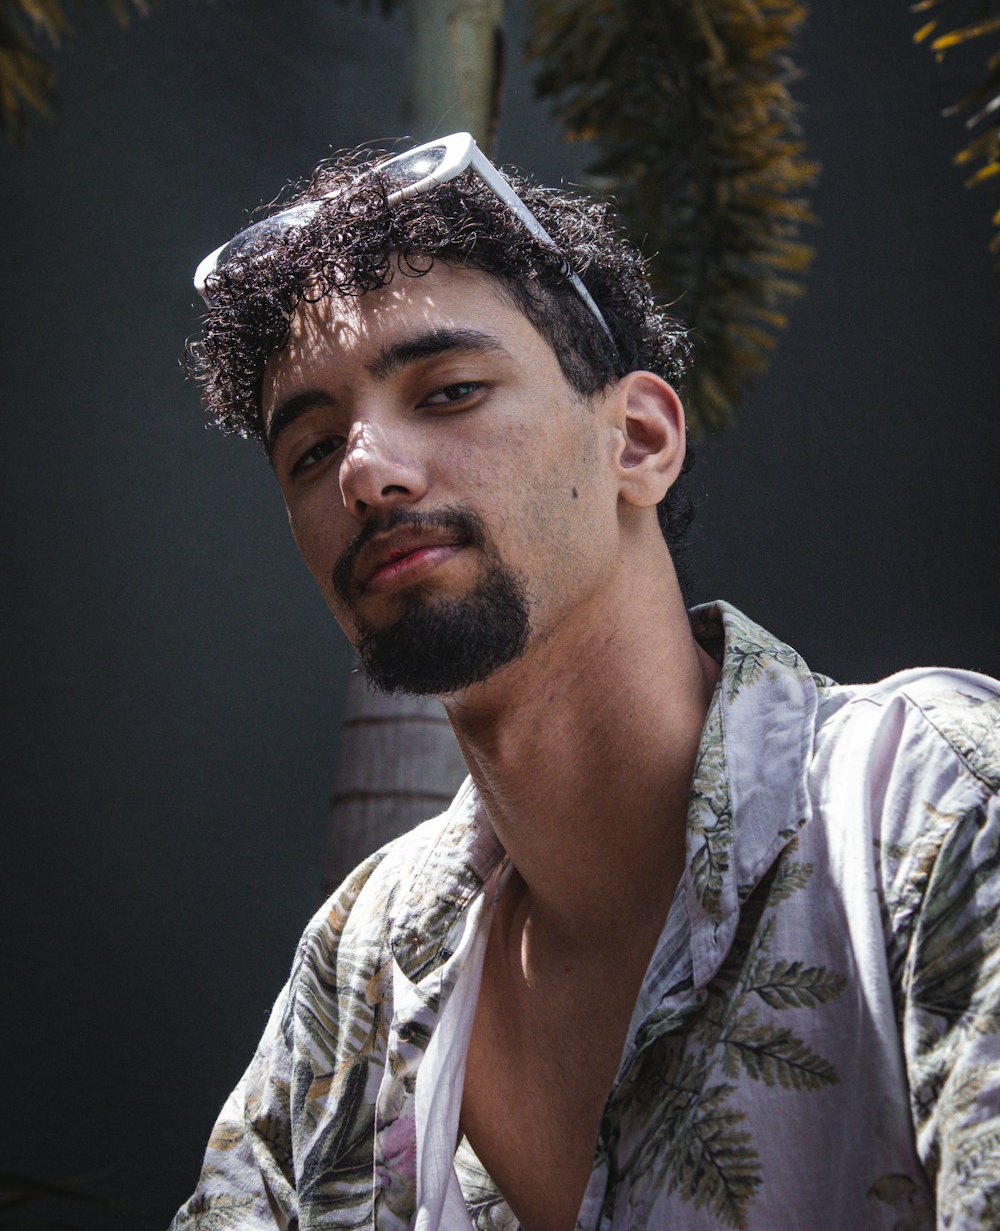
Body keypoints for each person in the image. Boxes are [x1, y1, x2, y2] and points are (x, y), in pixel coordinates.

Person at [172, 134, 1000, 1231]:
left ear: (641, 439)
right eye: (313, 452)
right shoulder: (364, 959)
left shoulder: (930, 806)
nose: (367, 469)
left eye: (451, 390)